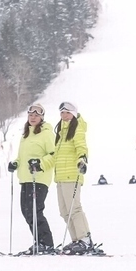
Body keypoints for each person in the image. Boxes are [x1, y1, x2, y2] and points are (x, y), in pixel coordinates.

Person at [8, 104, 56, 255]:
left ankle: (46, 243)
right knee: (27, 211)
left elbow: (54, 155)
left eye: (37, 115)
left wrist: (40, 164)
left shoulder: (47, 133)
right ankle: (39, 241)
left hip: (39, 177)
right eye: (31, 115)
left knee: (35, 211)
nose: (33, 117)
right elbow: (23, 156)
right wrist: (16, 163)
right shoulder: (26, 135)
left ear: (42, 117)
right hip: (25, 178)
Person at [54, 102, 95, 255]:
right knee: (64, 211)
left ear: (73, 113)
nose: (64, 116)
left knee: (74, 208)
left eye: (67, 112)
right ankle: (76, 240)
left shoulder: (77, 128)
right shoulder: (61, 131)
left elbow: (81, 146)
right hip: (60, 176)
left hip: (72, 174)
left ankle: (85, 239)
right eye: (62, 113)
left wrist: (82, 160)